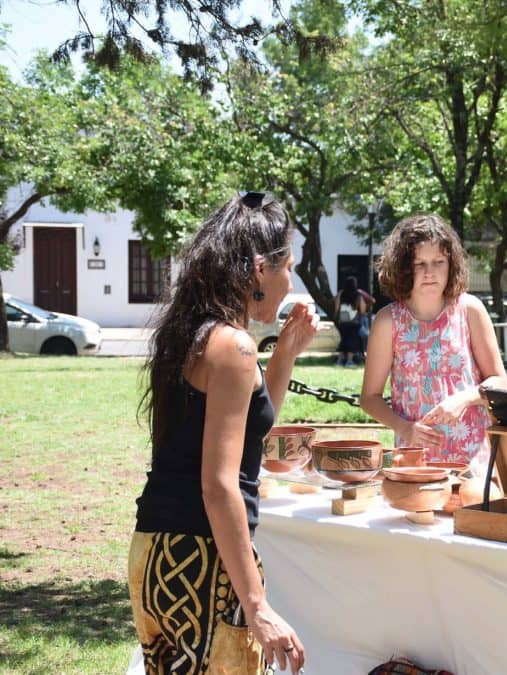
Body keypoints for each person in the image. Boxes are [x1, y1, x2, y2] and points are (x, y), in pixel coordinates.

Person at [130, 192, 314, 674]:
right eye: (287, 266)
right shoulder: (232, 346)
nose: (289, 280)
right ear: (259, 269)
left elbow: (251, 424)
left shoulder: (194, 334)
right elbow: (219, 485)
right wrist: (256, 606)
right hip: (202, 558)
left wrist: (286, 352)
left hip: (156, 549)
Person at [360, 214, 507, 466]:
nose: (430, 272)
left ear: (451, 264)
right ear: (404, 268)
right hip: (415, 459)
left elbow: (500, 381)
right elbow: (369, 397)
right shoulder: (388, 321)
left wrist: (464, 398)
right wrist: (405, 428)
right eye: (420, 263)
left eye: (439, 262)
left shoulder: (470, 309)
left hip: (473, 456)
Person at [334, 276, 362, 366]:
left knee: (343, 339)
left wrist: (336, 316)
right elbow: (362, 309)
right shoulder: (358, 294)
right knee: (352, 340)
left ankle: (340, 360)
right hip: (354, 322)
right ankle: (349, 361)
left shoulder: (341, 294)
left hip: (343, 321)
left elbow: (337, 307)